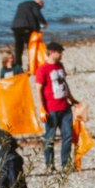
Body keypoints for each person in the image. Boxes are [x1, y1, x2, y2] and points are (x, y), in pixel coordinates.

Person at [33, 41, 75, 173]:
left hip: (65, 107)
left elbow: (64, 83)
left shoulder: (60, 66)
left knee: (67, 136)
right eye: (59, 52)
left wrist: (71, 98)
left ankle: (65, 163)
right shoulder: (42, 69)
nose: (61, 54)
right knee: (50, 137)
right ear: (51, 52)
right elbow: (38, 89)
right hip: (51, 109)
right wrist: (42, 108)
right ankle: (49, 164)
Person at [11, 0, 47, 68]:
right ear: (40, 3)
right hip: (26, 27)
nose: (40, 9)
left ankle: (18, 65)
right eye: (41, 7)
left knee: (18, 46)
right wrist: (44, 22)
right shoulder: (35, 5)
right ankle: (31, 65)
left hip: (15, 26)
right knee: (31, 47)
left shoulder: (21, 5)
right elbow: (37, 14)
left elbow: (25, 16)